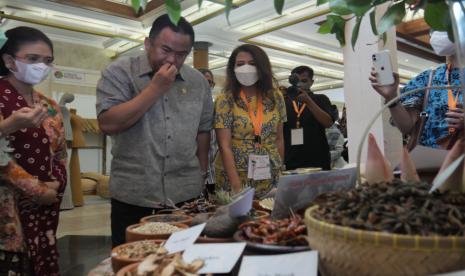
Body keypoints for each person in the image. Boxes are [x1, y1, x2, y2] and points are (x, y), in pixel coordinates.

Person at [96, 14, 213, 247]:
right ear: (148, 43)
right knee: (134, 262)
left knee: (182, 263)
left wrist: (201, 174)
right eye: (165, 49)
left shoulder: (197, 81)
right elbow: (108, 123)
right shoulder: (120, 72)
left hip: (185, 194)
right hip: (134, 194)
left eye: (181, 54)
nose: (172, 59)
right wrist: (155, 89)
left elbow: (203, 131)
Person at [0, 26, 66, 276]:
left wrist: (56, 185)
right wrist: (36, 189)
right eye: (33, 59)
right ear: (9, 60)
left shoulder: (48, 105)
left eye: (47, 61)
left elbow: (59, 154)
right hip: (9, 209)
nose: (41, 66)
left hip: (45, 208)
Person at [370, 31, 463, 149]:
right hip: (430, 161)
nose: (439, 31)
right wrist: (392, 98)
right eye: (436, 27)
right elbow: (406, 127)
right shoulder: (427, 78)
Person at [214, 44, 286, 196]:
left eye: (252, 63)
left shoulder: (276, 97)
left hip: (269, 172)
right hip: (235, 174)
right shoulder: (225, 99)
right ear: (232, 69)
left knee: (270, 216)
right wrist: (236, 186)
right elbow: (224, 145)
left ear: (262, 67)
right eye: (240, 64)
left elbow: (279, 139)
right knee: (240, 218)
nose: (246, 68)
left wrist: (279, 171)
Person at [283, 66, 334, 170]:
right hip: (291, 160)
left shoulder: (321, 99)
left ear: (312, 82)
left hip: (317, 160)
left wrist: (308, 101)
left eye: (304, 80)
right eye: (297, 80)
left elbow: (328, 123)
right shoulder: (285, 101)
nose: (300, 84)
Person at [198, 68, 217, 194]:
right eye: (203, 81)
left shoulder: (219, 108)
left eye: (209, 82)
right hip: (196, 176)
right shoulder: (188, 110)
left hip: (216, 175)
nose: (207, 85)